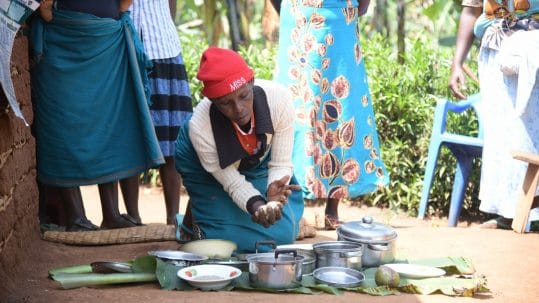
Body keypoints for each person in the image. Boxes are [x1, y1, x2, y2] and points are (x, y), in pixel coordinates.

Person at [31, 0, 164, 231]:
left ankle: (111, 214)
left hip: (105, 41)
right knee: (62, 123)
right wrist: (48, 13)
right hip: (63, 40)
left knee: (107, 124)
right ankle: (75, 216)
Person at [174, 47, 304, 253]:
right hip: (201, 161)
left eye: (244, 96)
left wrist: (271, 198)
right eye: (226, 103)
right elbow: (234, 184)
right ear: (213, 101)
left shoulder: (279, 100)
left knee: (282, 236)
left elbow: (280, 163)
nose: (239, 109)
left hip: (253, 158)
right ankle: (198, 214)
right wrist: (257, 206)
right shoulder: (201, 128)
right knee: (225, 245)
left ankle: (203, 206)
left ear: (252, 82)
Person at [273, 0, 389, 230]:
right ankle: (298, 209)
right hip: (308, 18)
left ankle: (321, 209)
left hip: (328, 19)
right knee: (303, 107)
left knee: (339, 104)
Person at [448, 0, 539, 229]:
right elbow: (471, 10)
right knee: (503, 135)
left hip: (532, 53)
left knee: (530, 133)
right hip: (494, 53)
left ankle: (531, 213)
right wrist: (457, 63)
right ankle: (508, 213)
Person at [119, 0, 194, 226]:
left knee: (172, 139)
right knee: (129, 136)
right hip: (127, 48)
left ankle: (173, 216)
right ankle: (133, 215)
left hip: (165, 46)